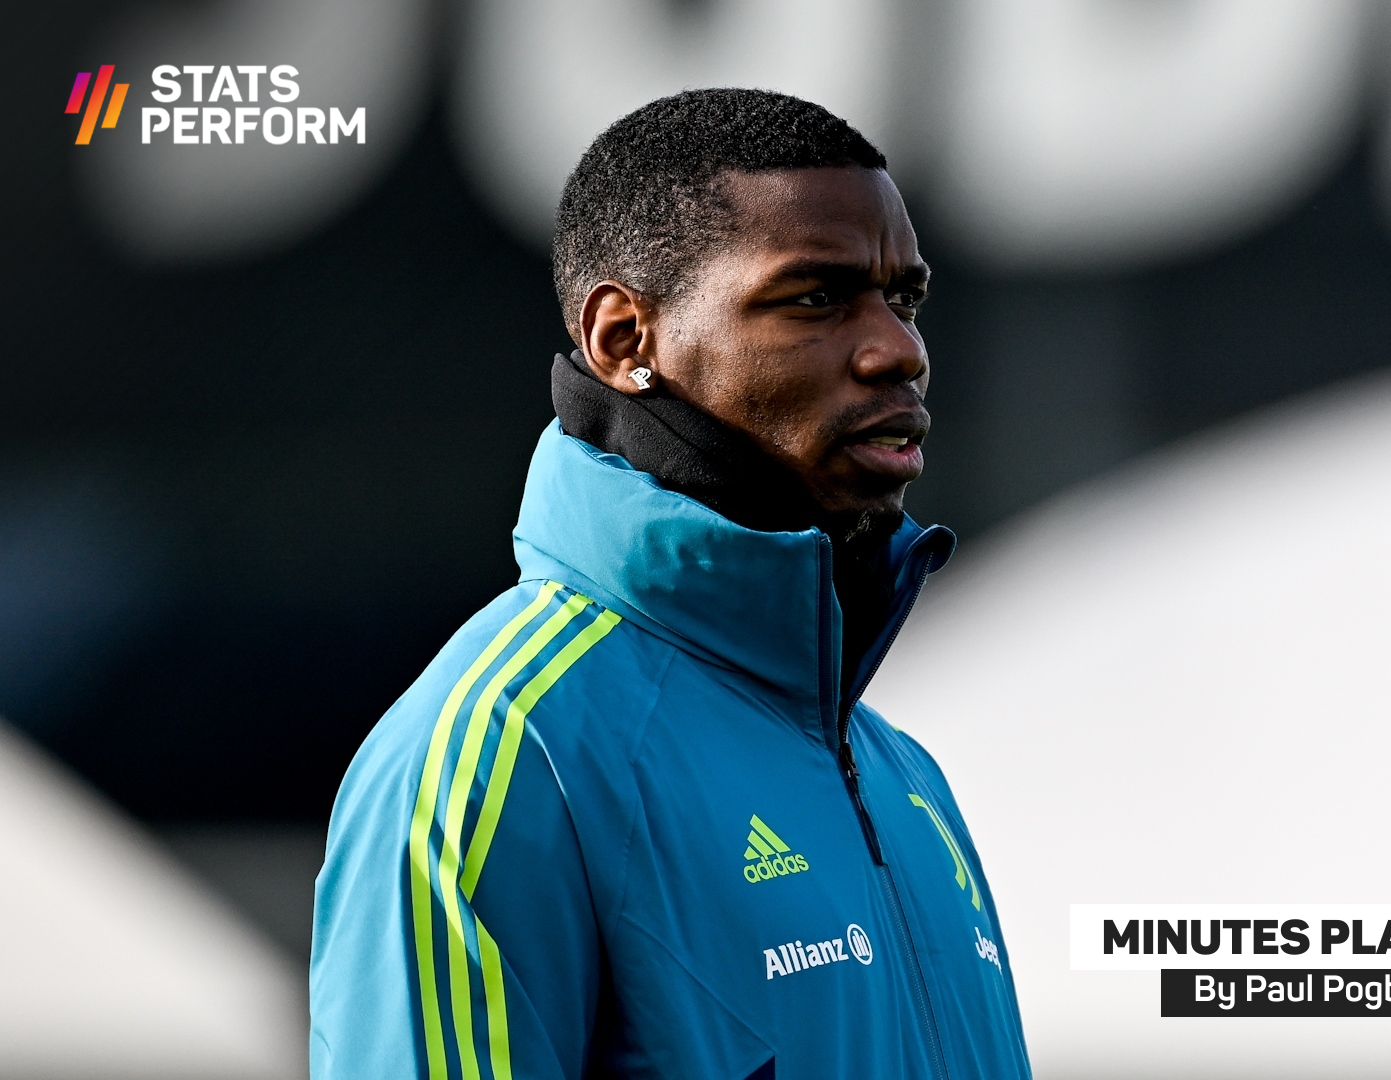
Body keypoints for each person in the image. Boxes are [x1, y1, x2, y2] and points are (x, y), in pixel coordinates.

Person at [309, 89, 1030, 1080]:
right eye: (815, 298)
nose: (899, 349)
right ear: (624, 339)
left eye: (902, 301)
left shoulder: (904, 776)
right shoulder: (504, 752)